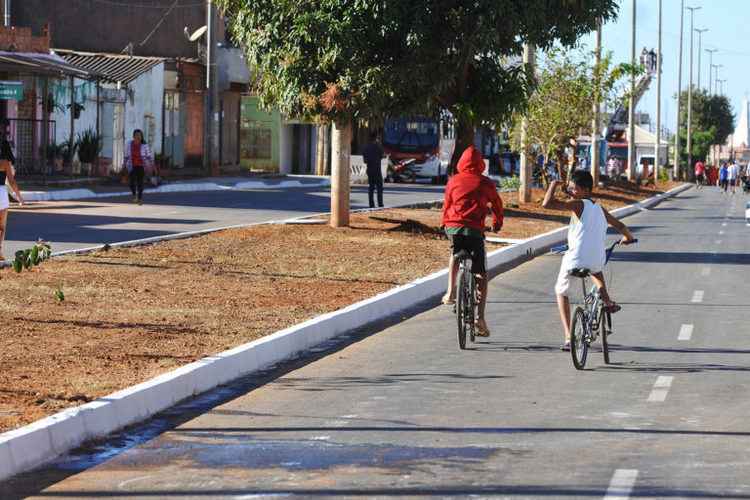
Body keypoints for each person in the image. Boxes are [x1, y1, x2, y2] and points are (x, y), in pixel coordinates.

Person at [542, 170, 635, 351]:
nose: (570, 191)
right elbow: (621, 226)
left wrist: (553, 183)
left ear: (584, 190)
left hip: (574, 259)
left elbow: (546, 204)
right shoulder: (599, 209)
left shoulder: (578, 204)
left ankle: (569, 336)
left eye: (573, 188)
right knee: (596, 271)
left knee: (561, 291)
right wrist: (628, 238)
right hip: (596, 259)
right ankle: (607, 301)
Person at [441, 146, 503, 337]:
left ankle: (450, 292)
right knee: (482, 275)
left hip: (453, 228)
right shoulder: (486, 183)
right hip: (475, 231)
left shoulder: (453, 181)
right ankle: (480, 318)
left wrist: (444, 224)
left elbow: (447, 205)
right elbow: (497, 205)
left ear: (461, 163)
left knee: (454, 254)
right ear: (480, 164)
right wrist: (497, 223)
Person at [0, 121, 23, 260]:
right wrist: (19, 197)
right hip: (1, 193)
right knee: (1, 226)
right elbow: (12, 182)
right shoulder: (4, 163)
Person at [123, 129, 154, 205]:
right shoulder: (129, 144)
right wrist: (124, 164)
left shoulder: (144, 145)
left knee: (140, 183)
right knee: (131, 182)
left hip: (141, 166)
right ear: (133, 136)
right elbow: (126, 155)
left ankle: (139, 198)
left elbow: (149, 156)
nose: (138, 136)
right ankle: (134, 196)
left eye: (139, 135)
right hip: (131, 165)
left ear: (141, 136)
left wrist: (151, 165)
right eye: (136, 135)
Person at [362, 131, 384, 209]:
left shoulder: (365, 147)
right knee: (379, 188)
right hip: (377, 170)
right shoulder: (378, 147)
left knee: (371, 188)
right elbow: (382, 156)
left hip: (370, 170)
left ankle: (371, 204)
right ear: (376, 138)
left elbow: (365, 161)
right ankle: (380, 204)